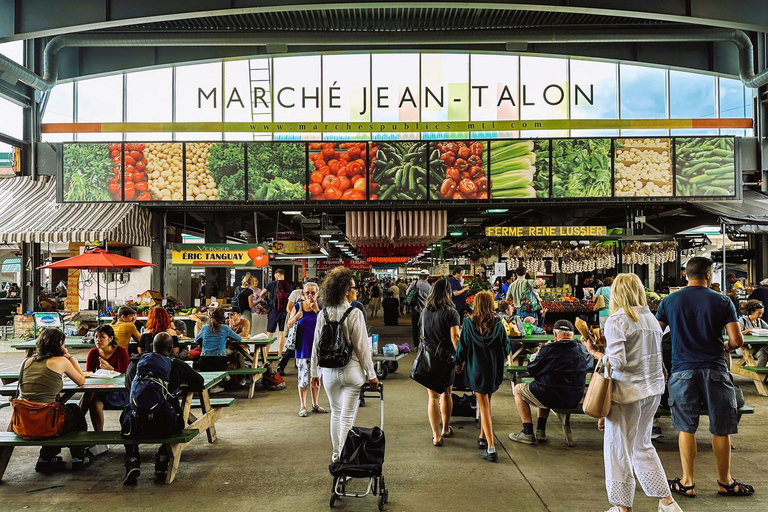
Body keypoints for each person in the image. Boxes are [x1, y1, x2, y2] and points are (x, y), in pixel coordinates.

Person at [656, 257, 754, 498]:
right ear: (709, 276)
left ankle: (687, 482)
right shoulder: (722, 301)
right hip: (715, 369)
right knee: (720, 429)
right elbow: (738, 341)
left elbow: (654, 334)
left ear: (685, 275)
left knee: (686, 428)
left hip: (682, 371)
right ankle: (725, 482)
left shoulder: (669, 301)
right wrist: (728, 347)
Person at [585, 274, 683, 512]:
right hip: (651, 391)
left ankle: (622, 507)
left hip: (626, 394)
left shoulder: (617, 319)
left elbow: (616, 362)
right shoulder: (650, 318)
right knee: (642, 446)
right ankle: (667, 502)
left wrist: (595, 353)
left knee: (617, 449)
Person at [310, 267, 378, 463]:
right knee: (347, 418)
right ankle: (345, 460)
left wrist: (315, 372)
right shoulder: (354, 313)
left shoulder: (322, 314)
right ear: (346, 291)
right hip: (352, 372)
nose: (356, 291)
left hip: (329, 373)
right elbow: (363, 348)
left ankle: (336, 457)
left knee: (336, 414)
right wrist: (371, 374)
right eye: (354, 288)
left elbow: (316, 345)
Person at [123, 333, 204, 485]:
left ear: (152, 346)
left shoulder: (136, 362)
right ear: (172, 348)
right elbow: (199, 382)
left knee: (126, 415)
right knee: (178, 418)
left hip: (136, 425)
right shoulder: (176, 364)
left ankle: (132, 460)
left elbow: (128, 386)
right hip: (165, 425)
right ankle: (162, 459)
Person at [18, 329, 90, 472]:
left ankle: (45, 457)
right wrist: (69, 356)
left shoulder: (26, 362)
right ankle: (78, 457)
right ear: (59, 344)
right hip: (47, 419)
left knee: (55, 411)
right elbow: (81, 380)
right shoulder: (61, 361)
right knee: (74, 411)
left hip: (25, 419)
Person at [508, 319, 588, 445]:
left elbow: (532, 370)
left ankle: (527, 432)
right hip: (574, 397)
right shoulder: (582, 350)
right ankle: (541, 430)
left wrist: (538, 355)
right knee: (544, 383)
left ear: (555, 335)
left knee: (518, 389)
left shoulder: (550, 349)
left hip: (551, 395)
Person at [455, 291, 509, 462]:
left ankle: (491, 449)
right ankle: (482, 436)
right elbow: (506, 348)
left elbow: (462, 348)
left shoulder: (468, 324)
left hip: (476, 369)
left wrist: (458, 362)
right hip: (492, 370)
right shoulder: (499, 325)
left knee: (483, 406)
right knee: (486, 404)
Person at [420, 279, 461, 446]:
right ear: (448, 293)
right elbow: (455, 337)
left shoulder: (425, 311)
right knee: (446, 393)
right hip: (445, 359)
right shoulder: (451, 313)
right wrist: (459, 358)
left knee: (432, 397)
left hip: (428, 358)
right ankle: (445, 429)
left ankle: (436, 436)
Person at [286, 282, 328, 417]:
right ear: (303, 294)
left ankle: (315, 404)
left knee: (316, 378)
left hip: (318, 348)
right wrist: (296, 318)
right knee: (303, 378)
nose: (310, 295)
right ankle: (303, 405)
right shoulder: (298, 307)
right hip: (303, 348)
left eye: (313, 293)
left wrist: (316, 310)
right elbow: (289, 324)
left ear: (317, 294)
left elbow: (327, 325)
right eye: (307, 293)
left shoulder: (321, 308)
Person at [79, 325, 129, 432]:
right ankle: (99, 436)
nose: (98, 340)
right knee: (95, 403)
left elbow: (125, 375)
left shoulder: (121, 351)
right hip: (100, 390)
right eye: (96, 337)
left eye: (102, 337)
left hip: (118, 391)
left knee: (90, 393)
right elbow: (90, 374)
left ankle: (78, 416)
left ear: (110, 338)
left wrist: (111, 369)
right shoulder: (93, 353)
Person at [260, 269, 293, 357]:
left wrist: (268, 301)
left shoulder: (272, 284)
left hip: (274, 311)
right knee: (281, 333)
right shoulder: (289, 285)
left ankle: (265, 354)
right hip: (285, 312)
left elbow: (261, 294)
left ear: (277, 275)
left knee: (269, 333)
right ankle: (280, 353)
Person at [407, 270, 433, 347]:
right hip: (426, 310)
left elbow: (407, 293)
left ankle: (415, 345)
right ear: (427, 277)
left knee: (415, 327)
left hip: (415, 309)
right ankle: (424, 345)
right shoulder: (429, 287)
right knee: (425, 327)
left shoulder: (414, 283)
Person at [739, 299, 768, 366]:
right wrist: (749, 330)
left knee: (764, 354)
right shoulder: (742, 320)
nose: (760, 316)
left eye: (762, 313)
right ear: (752, 312)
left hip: (758, 346)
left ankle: (760, 375)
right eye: (759, 313)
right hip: (745, 346)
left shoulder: (759, 321)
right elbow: (737, 333)